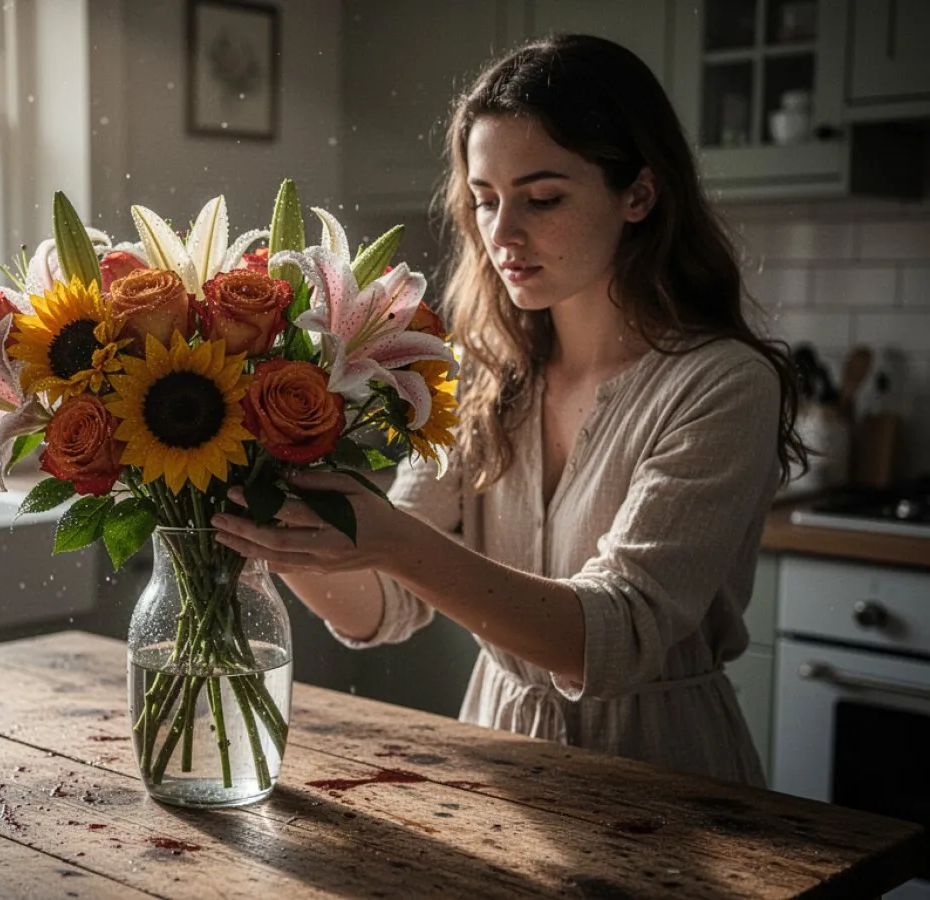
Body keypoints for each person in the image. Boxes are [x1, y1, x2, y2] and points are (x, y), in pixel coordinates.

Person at [211, 33, 805, 787]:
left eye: (543, 197)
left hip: (665, 773)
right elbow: (379, 608)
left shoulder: (722, 384)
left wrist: (388, 538)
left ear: (640, 195)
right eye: (485, 200)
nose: (502, 234)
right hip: (500, 758)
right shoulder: (486, 376)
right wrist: (267, 512)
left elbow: (614, 638)